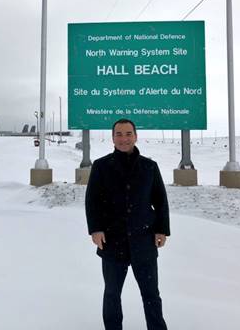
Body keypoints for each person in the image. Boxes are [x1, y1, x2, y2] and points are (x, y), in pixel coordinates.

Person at [85, 118, 170, 330]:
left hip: (144, 241)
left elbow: (160, 200)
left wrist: (162, 229)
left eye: (128, 134)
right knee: (112, 293)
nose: (124, 138)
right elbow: (92, 200)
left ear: (136, 136)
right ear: (112, 137)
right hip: (112, 241)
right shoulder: (101, 166)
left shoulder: (149, 167)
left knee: (151, 293)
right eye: (119, 134)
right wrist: (95, 229)